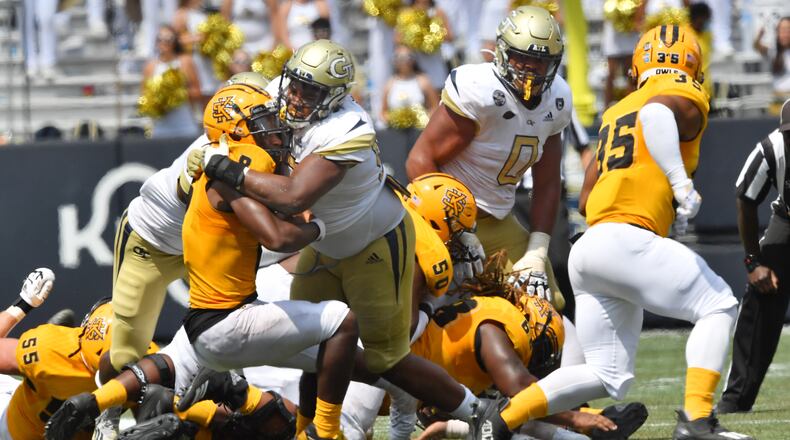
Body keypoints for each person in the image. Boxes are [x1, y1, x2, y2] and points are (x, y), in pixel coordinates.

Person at [192, 39, 496, 438]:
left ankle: (476, 412)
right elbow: (233, 114)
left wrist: (222, 167)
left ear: (337, 97)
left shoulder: (347, 128)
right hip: (324, 244)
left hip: (373, 244)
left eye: (311, 91)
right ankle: (307, 428)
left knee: (387, 358)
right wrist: (200, 152)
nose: (297, 97)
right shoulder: (278, 93)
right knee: (316, 344)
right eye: (296, 85)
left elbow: (293, 194)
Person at [466, 25, 752, 440]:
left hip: (593, 246)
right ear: (694, 66)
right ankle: (697, 419)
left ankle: (500, 421)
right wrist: (679, 183)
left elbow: (585, 198)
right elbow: (656, 115)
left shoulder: (618, 110)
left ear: (637, 68)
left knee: (606, 374)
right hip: (628, 240)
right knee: (719, 305)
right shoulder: (683, 95)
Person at [406, 6, 572, 314]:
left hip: (497, 220)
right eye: (522, 57)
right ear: (502, 52)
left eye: (540, 61)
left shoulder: (557, 98)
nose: (530, 69)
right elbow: (420, 160)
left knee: (545, 305)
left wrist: (537, 250)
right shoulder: (481, 90)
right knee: (418, 307)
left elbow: (548, 183)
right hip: (439, 221)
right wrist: (456, 230)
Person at [410, 253, 647, 440]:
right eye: (541, 346)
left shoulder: (490, 314)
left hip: (417, 384)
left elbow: (502, 411)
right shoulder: (494, 328)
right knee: (508, 419)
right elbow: (522, 389)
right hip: (398, 375)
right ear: (529, 325)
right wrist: (575, 417)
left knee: (507, 419)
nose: (537, 356)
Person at [718, 99, 790, 414]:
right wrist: (753, 262)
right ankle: (736, 397)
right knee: (763, 294)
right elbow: (745, 199)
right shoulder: (772, 148)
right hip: (788, 221)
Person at [142, 25, 202, 138]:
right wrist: (159, 99)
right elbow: (144, 96)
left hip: (185, 126)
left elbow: (197, 92)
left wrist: (177, 94)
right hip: (161, 128)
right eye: (159, 39)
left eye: (168, 39)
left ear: (175, 42)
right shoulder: (150, 67)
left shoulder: (185, 61)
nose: (163, 42)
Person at [380, 46, 440, 129]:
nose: (404, 61)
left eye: (408, 57)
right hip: (397, 131)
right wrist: (397, 120)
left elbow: (435, 106)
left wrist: (422, 119)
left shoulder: (423, 81)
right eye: (400, 57)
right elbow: (383, 112)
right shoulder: (390, 83)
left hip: (420, 130)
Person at [753, 16, 790, 107]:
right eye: (781, 30)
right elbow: (757, 46)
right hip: (777, 99)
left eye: (787, 30)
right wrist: (759, 36)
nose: (783, 34)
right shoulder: (774, 52)